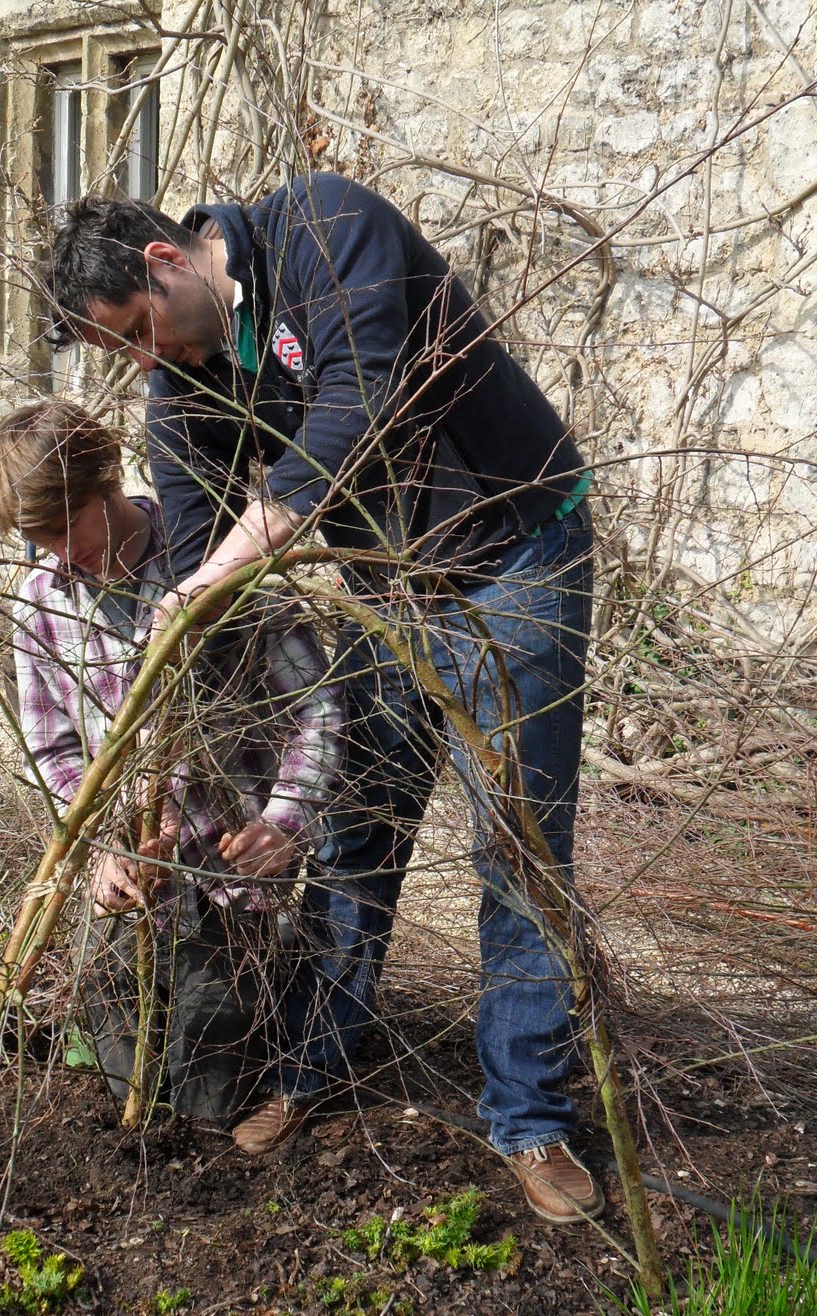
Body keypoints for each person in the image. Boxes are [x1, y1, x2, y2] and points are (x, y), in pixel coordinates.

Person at [47, 173, 605, 1221]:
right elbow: (189, 562)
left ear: (166, 264)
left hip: (513, 554)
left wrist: (216, 575)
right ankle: (312, 1067)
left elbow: (360, 399)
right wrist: (161, 779)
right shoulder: (186, 384)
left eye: (134, 333)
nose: (140, 363)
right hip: (390, 587)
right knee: (355, 829)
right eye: (118, 353)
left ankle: (529, 1118)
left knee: (518, 846)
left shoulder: (325, 229)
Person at [0, 398, 344, 1146]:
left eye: (66, 528)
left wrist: (284, 823)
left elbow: (317, 709)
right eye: (38, 540)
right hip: (132, 879)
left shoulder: (214, 567)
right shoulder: (41, 607)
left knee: (205, 1095)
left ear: (108, 481)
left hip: (227, 881)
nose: (57, 555)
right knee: (120, 1057)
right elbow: (55, 752)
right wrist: (102, 846)